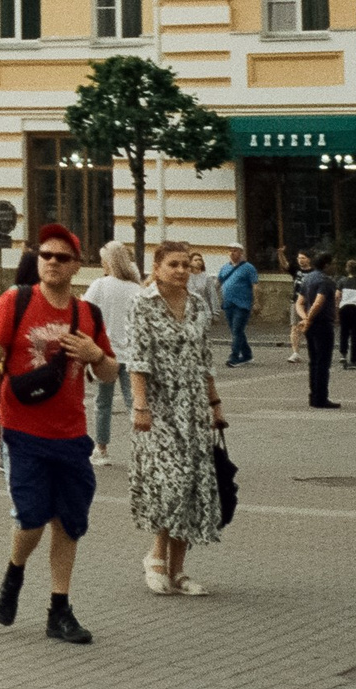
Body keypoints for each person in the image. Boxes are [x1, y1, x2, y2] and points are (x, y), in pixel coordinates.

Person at [0, 223, 119, 644]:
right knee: (32, 518)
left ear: (77, 266)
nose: (52, 262)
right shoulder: (15, 301)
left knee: (69, 523)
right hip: (22, 432)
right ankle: (14, 572)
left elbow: (109, 371)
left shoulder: (86, 314)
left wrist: (97, 355)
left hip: (72, 435)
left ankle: (60, 609)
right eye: (46, 255)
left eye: (62, 257)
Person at [129, 239, 227, 597]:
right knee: (171, 482)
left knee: (192, 486)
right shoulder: (143, 304)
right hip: (159, 410)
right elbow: (137, 360)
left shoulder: (199, 304)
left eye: (186, 264)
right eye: (173, 264)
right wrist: (140, 407)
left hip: (194, 408)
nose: (182, 270)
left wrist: (215, 404)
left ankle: (179, 569)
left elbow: (205, 359)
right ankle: (155, 556)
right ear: (156, 269)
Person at [83, 241, 141, 467]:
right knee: (134, 403)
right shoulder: (137, 288)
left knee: (103, 403)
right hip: (131, 353)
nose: (101, 264)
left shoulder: (100, 285)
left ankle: (102, 449)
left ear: (110, 262)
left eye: (103, 260)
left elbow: (85, 312)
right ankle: (141, 448)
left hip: (106, 354)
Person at [295, 251, 339, 408]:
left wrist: (305, 318)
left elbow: (299, 302)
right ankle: (321, 397)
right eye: (332, 263)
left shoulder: (308, 278)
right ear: (326, 265)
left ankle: (313, 396)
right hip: (322, 324)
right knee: (322, 362)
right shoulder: (326, 281)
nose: (334, 266)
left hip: (311, 326)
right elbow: (319, 302)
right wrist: (310, 318)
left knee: (313, 361)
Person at [217, 246, 258, 366]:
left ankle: (234, 357)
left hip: (242, 304)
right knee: (236, 330)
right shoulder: (225, 267)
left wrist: (256, 302)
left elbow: (255, 285)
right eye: (230, 250)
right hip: (228, 303)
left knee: (237, 329)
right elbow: (218, 282)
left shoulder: (248, 267)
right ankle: (247, 355)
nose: (232, 253)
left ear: (241, 252)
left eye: (235, 250)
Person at [335, 257, 356, 369]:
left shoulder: (342, 281)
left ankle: (343, 355)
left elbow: (337, 295)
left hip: (344, 308)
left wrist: (337, 305)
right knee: (355, 335)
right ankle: (354, 359)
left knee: (344, 332)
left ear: (347, 269)